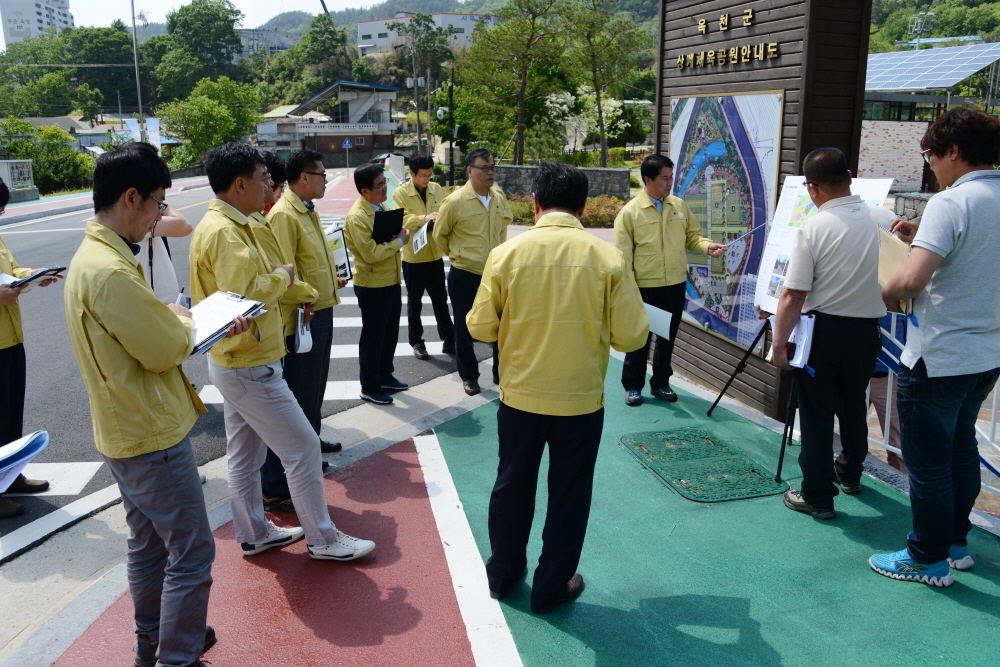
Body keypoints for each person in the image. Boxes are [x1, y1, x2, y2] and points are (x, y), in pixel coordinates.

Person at [64, 143, 243, 667]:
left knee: (147, 545)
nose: (159, 217)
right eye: (159, 205)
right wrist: (187, 322)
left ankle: (153, 638)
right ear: (130, 197)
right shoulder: (114, 272)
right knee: (192, 551)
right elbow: (164, 349)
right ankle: (177, 657)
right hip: (150, 432)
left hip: (122, 428)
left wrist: (166, 319)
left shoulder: (94, 258)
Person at [467, 162, 649, 614]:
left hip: (521, 396)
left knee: (511, 486)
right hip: (580, 399)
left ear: (534, 202)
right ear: (584, 207)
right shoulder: (607, 258)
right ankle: (552, 586)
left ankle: (503, 575)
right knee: (569, 494)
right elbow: (631, 336)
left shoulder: (506, 254)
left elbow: (480, 325)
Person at [189, 142, 375, 562]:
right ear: (240, 184)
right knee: (303, 448)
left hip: (241, 359)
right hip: (250, 362)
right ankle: (323, 537)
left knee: (243, 455)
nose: (269, 184)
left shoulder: (244, 221)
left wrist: (299, 288)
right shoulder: (224, 230)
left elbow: (274, 276)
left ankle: (254, 531)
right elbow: (250, 291)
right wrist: (282, 275)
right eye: (263, 178)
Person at [871, 108, 1000, 587]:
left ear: (953, 151)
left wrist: (886, 290)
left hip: (938, 354)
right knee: (961, 450)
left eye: (930, 155)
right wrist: (919, 236)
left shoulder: (952, 203)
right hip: (986, 355)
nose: (931, 166)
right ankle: (956, 544)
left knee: (927, 464)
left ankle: (926, 558)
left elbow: (909, 281)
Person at [772, 147, 885, 520]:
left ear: (812, 188)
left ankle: (818, 495)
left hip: (824, 332)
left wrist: (778, 343)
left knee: (817, 413)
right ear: (850, 176)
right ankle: (851, 473)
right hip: (868, 330)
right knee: (853, 402)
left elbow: (794, 293)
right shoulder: (881, 217)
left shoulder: (814, 226)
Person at [614, 154, 725, 406]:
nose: (669, 182)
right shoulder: (630, 213)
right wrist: (627, 291)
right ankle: (633, 386)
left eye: (671, 177)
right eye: (664, 178)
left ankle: (661, 383)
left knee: (667, 337)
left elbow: (693, 236)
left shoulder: (678, 206)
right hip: (643, 287)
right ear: (647, 179)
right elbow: (623, 258)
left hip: (674, 285)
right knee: (639, 338)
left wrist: (707, 247)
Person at [251, 152, 321, 513]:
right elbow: (278, 275)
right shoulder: (276, 217)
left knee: (305, 400)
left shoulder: (272, 217)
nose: (270, 189)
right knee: (281, 427)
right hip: (267, 337)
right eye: (266, 181)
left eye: (271, 181)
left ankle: (264, 511)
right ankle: (278, 490)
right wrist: (304, 293)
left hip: (291, 319)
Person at [266, 149, 346, 454]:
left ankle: (312, 438)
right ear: (304, 177)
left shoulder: (306, 209)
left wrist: (330, 281)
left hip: (320, 307)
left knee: (316, 385)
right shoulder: (285, 215)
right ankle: (305, 449)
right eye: (322, 174)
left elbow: (311, 261)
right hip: (305, 313)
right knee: (304, 386)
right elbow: (285, 271)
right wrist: (311, 294)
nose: (326, 180)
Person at [434, 148, 513, 396]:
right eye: (484, 168)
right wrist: (460, 255)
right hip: (465, 273)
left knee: (500, 326)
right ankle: (469, 376)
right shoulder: (455, 201)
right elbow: (440, 236)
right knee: (464, 327)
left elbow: (504, 229)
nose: (490, 173)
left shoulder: (498, 197)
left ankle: (500, 374)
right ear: (470, 170)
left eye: (492, 168)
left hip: (495, 274)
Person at [0, 179, 56, 518]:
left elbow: (9, 273)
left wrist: (32, 275)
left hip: (10, 338)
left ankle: (10, 473)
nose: (2, 212)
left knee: (9, 415)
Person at [343, 163, 410, 404]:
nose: (385, 188)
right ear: (364, 191)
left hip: (390, 279)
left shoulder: (380, 206)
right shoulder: (357, 217)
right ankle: (369, 386)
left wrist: (395, 234)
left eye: (385, 183)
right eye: (379, 185)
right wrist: (399, 242)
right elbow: (370, 253)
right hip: (372, 284)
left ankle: (385, 375)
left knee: (389, 333)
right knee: (373, 338)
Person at [392, 155, 455, 360]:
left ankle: (449, 339)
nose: (427, 179)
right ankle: (417, 343)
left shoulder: (436, 188)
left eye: (429, 175)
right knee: (414, 303)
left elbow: (445, 210)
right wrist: (424, 218)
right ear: (412, 174)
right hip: (413, 258)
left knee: (440, 299)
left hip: (435, 254)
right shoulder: (400, 193)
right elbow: (400, 219)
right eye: (422, 176)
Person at [142, 203, 192, 305]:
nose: (158, 217)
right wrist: (160, 203)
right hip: (160, 305)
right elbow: (183, 225)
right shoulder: (135, 220)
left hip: (162, 303)